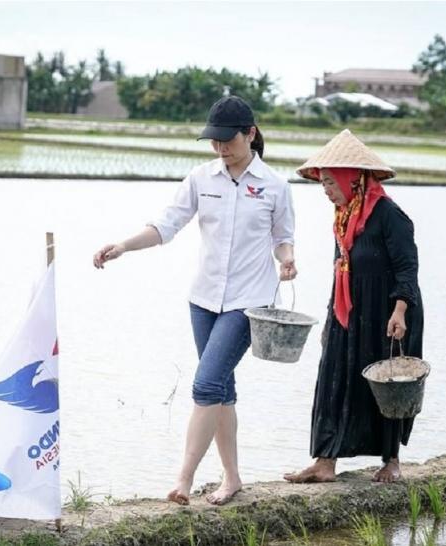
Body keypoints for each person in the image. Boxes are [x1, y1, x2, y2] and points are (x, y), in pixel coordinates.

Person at [93, 96, 296, 504]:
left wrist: (288, 260)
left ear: (250, 134)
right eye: (214, 142)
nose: (221, 149)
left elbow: (282, 238)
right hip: (203, 300)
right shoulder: (201, 179)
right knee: (221, 389)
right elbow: (167, 225)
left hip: (249, 301)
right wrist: (123, 246)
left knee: (205, 384)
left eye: (229, 141)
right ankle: (232, 477)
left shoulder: (274, 185)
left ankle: (183, 480)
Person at [283, 129, 423, 484]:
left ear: (351, 179)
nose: (327, 191)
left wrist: (400, 311)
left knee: (388, 384)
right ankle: (325, 461)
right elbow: (339, 269)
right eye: (323, 184)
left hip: (389, 312)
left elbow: (407, 267)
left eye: (330, 183)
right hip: (349, 310)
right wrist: (332, 315)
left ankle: (391, 460)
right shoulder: (344, 218)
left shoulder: (390, 215)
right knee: (333, 378)